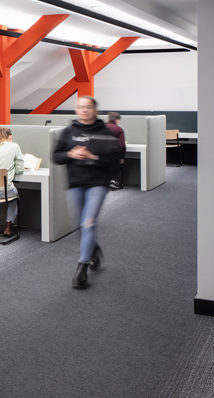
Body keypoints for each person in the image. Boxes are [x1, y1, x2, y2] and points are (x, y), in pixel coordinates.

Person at [53, 96, 122, 289]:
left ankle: (82, 269)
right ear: (76, 110)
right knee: (79, 226)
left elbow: (116, 162)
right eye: (81, 107)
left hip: (98, 183)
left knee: (88, 223)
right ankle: (93, 249)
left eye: (88, 107)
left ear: (95, 110)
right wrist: (70, 154)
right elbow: (56, 156)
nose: (84, 110)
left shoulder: (106, 132)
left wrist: (94, 156)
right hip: (76, 182)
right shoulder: (68, 131)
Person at [106, 112, 127, 190]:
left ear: (109, 119)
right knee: (119, 163)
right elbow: (122, 146)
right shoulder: (119, 129)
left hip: (99, 156)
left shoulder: (101, 127)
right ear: (117, 120)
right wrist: (122, 157)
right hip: (113, 156)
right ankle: (112, 180)